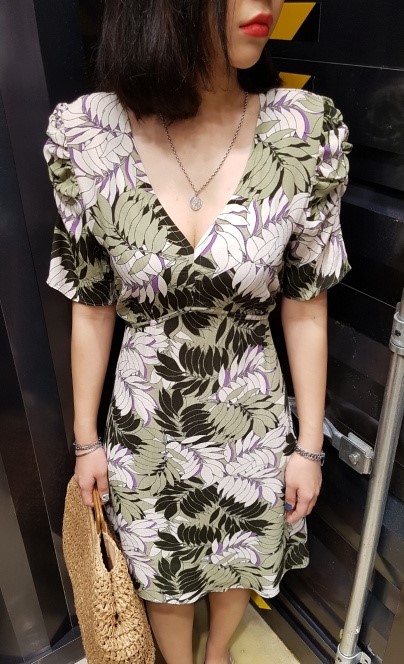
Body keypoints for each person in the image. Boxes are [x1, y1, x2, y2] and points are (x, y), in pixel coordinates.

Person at [44, 2, 351, 663]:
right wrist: (86, 441)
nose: (265, 3)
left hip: (251, 417)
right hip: (147, 423)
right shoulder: (88, 136)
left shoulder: (302, 131)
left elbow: (306, 306)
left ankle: (217, 655)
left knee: (239, 554)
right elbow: (91, 304)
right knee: (161, 567)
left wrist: (308, 448)